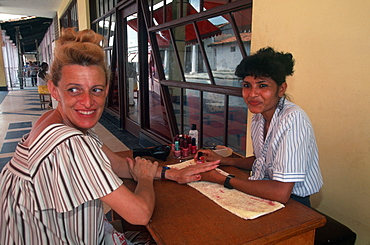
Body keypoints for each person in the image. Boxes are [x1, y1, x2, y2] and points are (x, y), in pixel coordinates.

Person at [0, 28, 218, 245]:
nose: (87, 102)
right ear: (54, 90)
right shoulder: (69, 144)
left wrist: (173, 174)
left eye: (95, 90)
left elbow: (120, 166)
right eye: (74, 90)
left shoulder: (53, 121)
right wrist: (144, 179)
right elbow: (139, 214)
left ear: (106, 90)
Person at [195, 47, 323, 207]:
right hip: (264, 191)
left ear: (281, 89)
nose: (252, 94)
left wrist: (222, 179)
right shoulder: (258, 118)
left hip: (293, 203)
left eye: (262, 86)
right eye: (247, 85)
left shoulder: (292, 119)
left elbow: (281, 192)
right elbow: (262, 161)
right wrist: (224, 160)